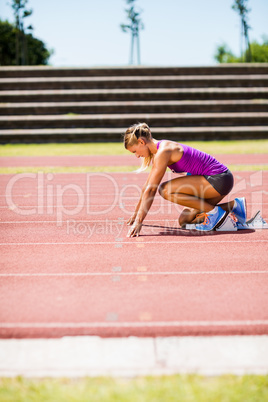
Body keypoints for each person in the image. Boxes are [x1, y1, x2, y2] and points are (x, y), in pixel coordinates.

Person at [124, 122, 247, 238]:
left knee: (165, 190)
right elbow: (147, 186)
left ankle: (214, 213)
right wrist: (136, 215)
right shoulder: (159, 152)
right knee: (185, 220)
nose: (137, 156)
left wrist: (139, 222)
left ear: (141, 141)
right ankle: (234, 206)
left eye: (135, 151)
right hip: (217, 180)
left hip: (218, 179)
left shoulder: (164, 151)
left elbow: (151, 189)